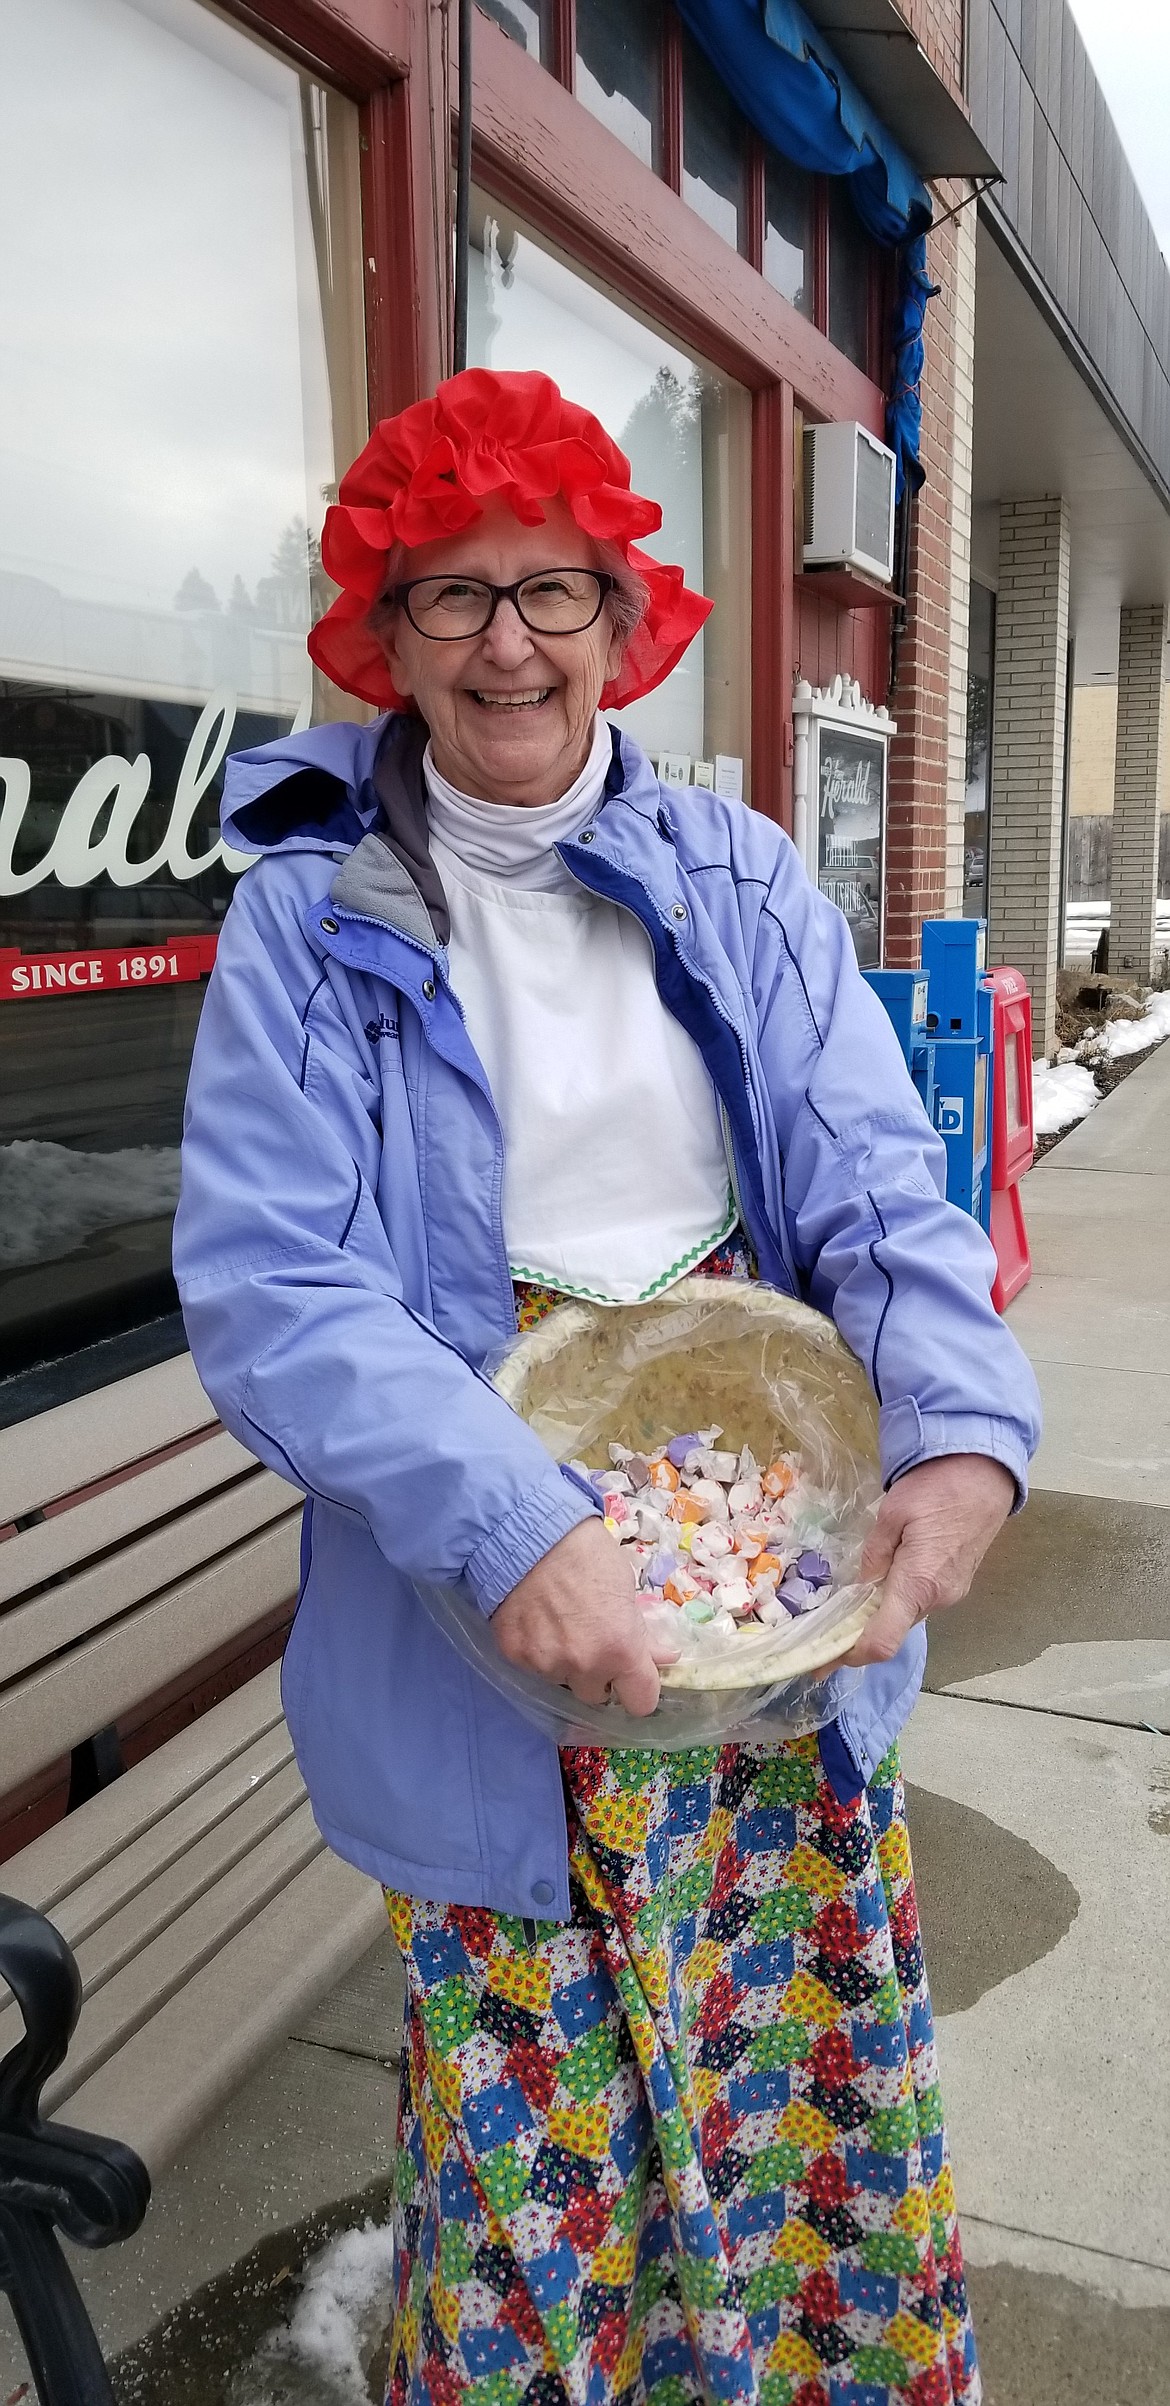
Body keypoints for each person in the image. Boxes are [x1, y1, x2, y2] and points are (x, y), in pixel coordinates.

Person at [175, 368, 1039, 2406]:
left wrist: (967, 1433)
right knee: (543, 2141)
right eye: (453, 594)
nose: (507, 641)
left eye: (551, 589)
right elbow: (274, 1286)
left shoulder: (739, 880)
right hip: (491, 1613)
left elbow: (881, 1198)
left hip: (757, 1574)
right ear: (382, 640)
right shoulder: (304, 922)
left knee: (788, 2095)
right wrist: (516, 1518)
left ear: (622, 617)